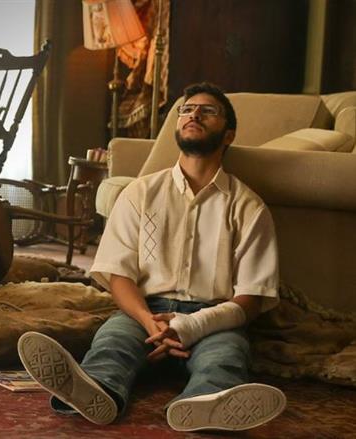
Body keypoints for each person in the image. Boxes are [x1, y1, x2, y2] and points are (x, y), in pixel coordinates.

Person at [18, 82, 286, 432]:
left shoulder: (249, 207)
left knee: (225, 359)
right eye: (187, 109)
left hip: (215, 319)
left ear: (229, 135)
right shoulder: (139, 193)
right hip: (145, 311)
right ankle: (95, 390)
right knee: (111, 344)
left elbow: (250, 300)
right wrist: (150, 322)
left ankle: (205, 405)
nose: (194, 114)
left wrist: (191, 326)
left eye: (208, 111)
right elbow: (119, 276)